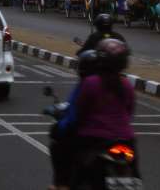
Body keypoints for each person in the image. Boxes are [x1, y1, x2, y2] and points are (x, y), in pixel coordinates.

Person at [72, 38, 138, 186]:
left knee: (78, 174)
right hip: (126, 141)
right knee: (135, 176)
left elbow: (80, 111)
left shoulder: (91, 83)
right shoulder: (126, 84)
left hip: (95, 140)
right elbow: (129, 111)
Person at [48, 49, 100, 190]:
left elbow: (74, 113)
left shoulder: (87, 85)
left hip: (90, 135)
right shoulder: (122, 84)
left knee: (57, 140)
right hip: (122, 136)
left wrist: (61, 126)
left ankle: (61, 183)